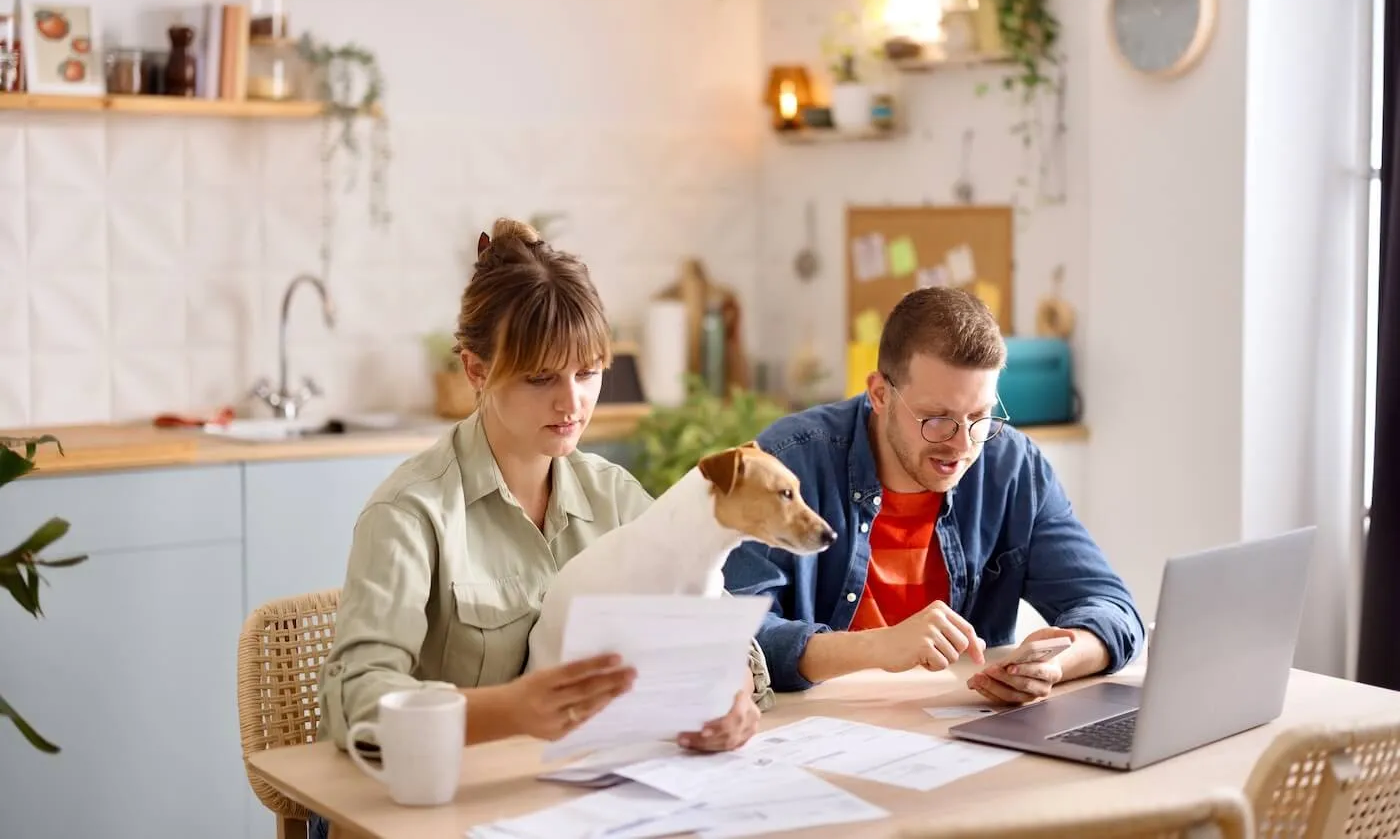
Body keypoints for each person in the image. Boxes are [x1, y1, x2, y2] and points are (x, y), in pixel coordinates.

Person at [311, 220, 771, 835]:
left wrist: (734, 696)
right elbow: (356, 702)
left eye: (588, 373)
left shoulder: (614, 496)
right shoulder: (410, 514)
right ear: (476, 371)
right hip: (444, 813)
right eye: (540, 378)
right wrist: (509, 711)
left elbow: (712, 629)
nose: (573, 402)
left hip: (587, 805)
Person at [722, 286, 1145, 706]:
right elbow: (731, 634)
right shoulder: (787, 462)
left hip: (959, 727)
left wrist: (1054, 665)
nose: (962, 446)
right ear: (880, 394)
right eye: (937, 419)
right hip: (814, 733)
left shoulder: (1012, 466)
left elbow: (1113, 610)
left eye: (979, 417)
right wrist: (880, 647)